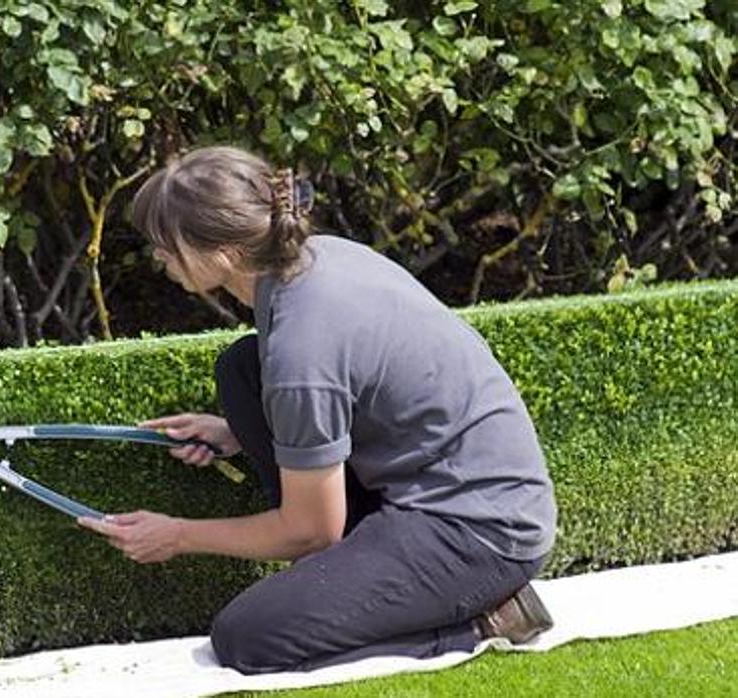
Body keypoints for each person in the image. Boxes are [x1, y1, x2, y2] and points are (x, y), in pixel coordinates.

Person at [77, 145, 557, 674]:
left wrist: (179, 534)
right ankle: (355, 582)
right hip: (446, 486)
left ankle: (483, 620)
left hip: (479, 530)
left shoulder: (302, 347)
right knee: (241, 371)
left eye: (165, 246)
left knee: (246, 637)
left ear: (221, 250)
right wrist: (233, 431)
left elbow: (311, 531)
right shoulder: (313, 260)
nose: (159, 260)